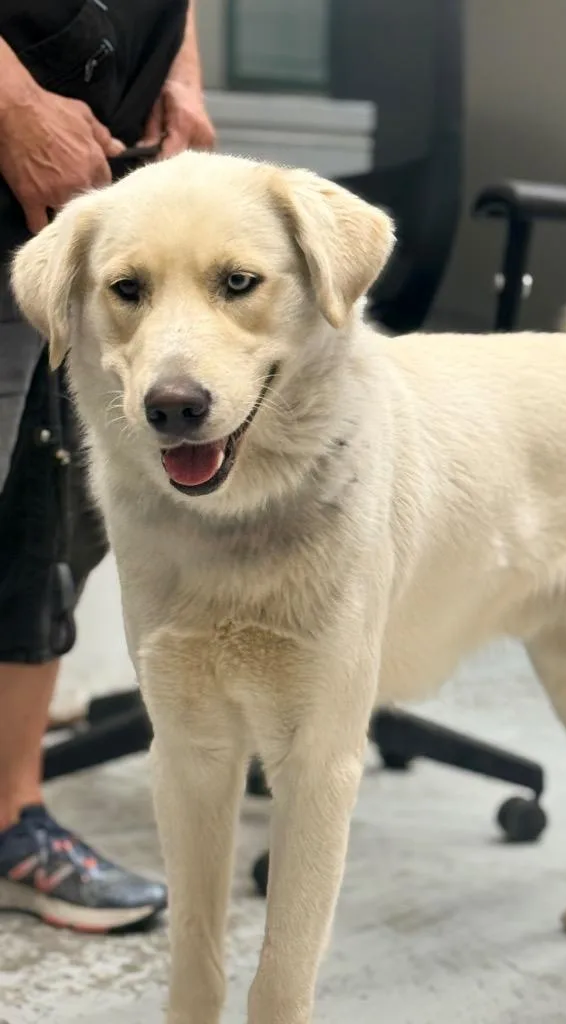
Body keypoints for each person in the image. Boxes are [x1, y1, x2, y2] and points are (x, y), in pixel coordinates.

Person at [0, 0, 215, 933]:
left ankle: (12, 820)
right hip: (24, 123)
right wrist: (9, 102)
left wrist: (182, 70)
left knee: (46, 508)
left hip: (95, 173)